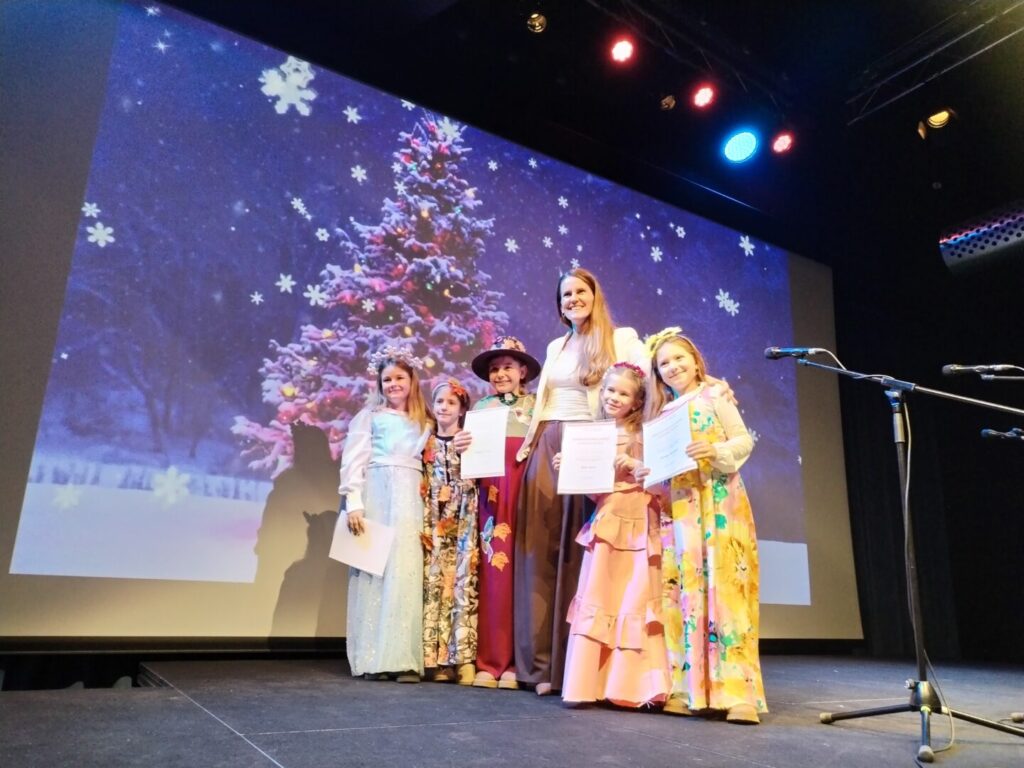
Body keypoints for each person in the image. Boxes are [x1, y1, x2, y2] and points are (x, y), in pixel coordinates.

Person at [514, 267, 649, 695]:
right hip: (548, 442)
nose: (572, 299)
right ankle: (539, 666)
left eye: (579, 291)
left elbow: (652, 383)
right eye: (565, 295)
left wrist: (711, 387)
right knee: (540, 551)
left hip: (591, 441)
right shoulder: (556, 345)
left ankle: (571, 667)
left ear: (595, 295)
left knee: (579, 552)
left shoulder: (621, 338)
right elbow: (543, 401)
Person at [646, 327, 767, 724]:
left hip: (719, 502)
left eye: (679, 358)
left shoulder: (715, 395)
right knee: (684, 592)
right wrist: (650, 472)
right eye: (664, 363)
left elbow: (743, 441)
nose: (673, 367)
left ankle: (738, 694)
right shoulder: (663, 416)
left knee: (726, 589)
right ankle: (687, 688)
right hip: (681, 510)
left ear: (696, 362)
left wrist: (714, 450)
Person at [558, 362, 671, 708]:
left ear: (637, 401)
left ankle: (630, 686)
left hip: (639, 517)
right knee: (600, 592)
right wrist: (571, 469)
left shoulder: (645, 434)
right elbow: (596, 491)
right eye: (610, 390)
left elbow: (663, 484)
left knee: (634, 596)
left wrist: (637, 468)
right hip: (608, 518)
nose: (614, 397)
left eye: (624, 393)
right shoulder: (596, 433)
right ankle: (587, 684)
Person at [338, 345, 433, 683]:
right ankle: (373, 659)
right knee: (374, 571)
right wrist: (354, 502)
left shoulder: (425, 421)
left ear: (412, 380)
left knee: (405, 572)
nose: (393, 384)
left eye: (399, 378)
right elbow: (354, 459)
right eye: (387, 379)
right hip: (378, 493)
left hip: (410, 497)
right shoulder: (370, 417)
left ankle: (402, 658)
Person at [454, 336, 541, 690]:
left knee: (528, 577)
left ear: (523, 371)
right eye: (494, 369)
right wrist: (461, 444)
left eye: (507, 367)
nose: (500, 374)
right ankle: (491, 662)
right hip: (493, 497)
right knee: (495, 577)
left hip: (528, 494)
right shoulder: (482, 408)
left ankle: (521, 664)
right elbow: (470, 457)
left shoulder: (537, 406)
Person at [422, 378, 479, 685]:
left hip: (462, 521)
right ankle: (434, 659)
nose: (444, 407)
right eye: (439, 401)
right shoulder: (425, 442)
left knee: (460, 586)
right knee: (433, 585)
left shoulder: (468, 440)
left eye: (451, 402)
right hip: (433, 523)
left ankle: (462, 659)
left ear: (462, 409)